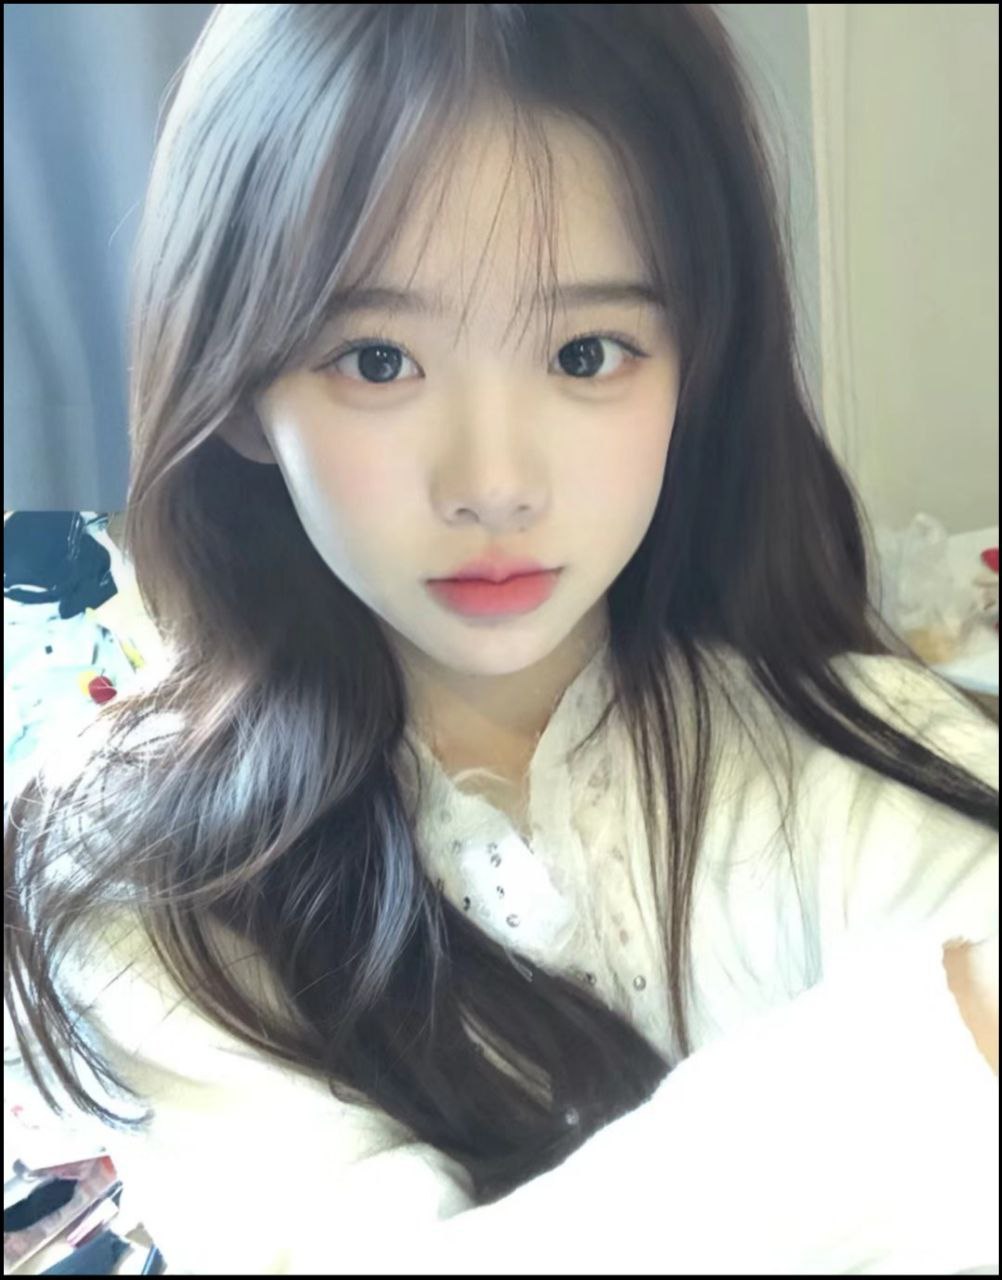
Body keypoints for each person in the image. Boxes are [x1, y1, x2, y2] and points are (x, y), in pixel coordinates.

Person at [4, 4, 998, 1274]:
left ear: (697, 366)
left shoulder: (857, 751)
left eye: (587, 352)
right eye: (376, 359)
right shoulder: (150, 875)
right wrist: (949, 1043)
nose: (494, 482)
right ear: (241, 384)